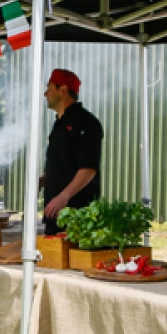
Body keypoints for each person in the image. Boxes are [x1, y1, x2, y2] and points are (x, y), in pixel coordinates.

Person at [40, 68, 103, 236]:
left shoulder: (86, 123)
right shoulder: (59, 124)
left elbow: (88, 168)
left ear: (63, 90)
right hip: (54, 213)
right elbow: (64, 163)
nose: (45, 94)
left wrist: (64, 196)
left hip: (77, 214)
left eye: (49, 88)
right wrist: (43, 180)